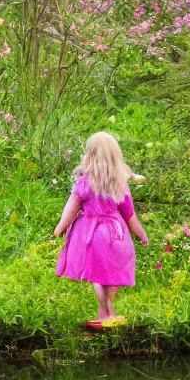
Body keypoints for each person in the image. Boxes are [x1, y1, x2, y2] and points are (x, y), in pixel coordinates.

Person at [53, 132, 149, 328]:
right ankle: (107, 309)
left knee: (98, 276)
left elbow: (71, 209)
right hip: (116, 234)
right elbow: (130, 215)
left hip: (92, 234)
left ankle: (104, 310)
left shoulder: (84, 183)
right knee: (113, 272)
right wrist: (142, 235)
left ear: (90, 154)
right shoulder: (120, 184)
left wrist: (59, 229)